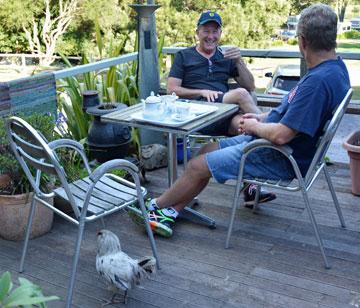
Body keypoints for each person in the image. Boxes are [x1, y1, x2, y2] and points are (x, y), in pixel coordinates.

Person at [128, 3, 350, 238]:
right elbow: (292, 115)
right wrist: (261, 117)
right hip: (273, 144)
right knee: (206, 149)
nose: (211, 35)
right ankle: (172, 211)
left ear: (303, 41)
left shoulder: (317, 82)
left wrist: (254, 125)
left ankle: (152, 208)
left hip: (278, 154)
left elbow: (281, 135)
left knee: (195, 166)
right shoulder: (335, 69)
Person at [168, 10, 276, 206]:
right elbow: (172, 89)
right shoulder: (184, 56)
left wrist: (238, 61)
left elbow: (251, 84)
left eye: (215, 31)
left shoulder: (225, 56)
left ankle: (250, 186)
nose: (210, 36)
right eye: (206, 31)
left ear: (220, 33)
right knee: (242, 94)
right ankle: (273, 133)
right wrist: (199, 91)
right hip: (197, 111)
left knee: (248, 126)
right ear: (197, 32)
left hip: (223, 114)